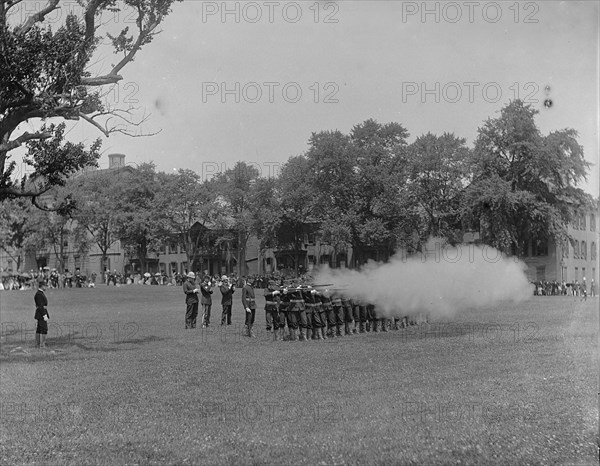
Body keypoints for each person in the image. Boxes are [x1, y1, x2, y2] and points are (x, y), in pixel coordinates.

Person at [34, 279, 49, 348]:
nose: (46, 287)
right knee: (44, 328)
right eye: (45, 286)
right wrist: (44, 315)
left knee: (39, 328)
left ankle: (38, 344)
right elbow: (40, 305)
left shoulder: (40, 293)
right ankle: (42, 344)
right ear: (42, 286)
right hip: (41, 313)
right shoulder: (39, 294)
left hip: (41, 312)